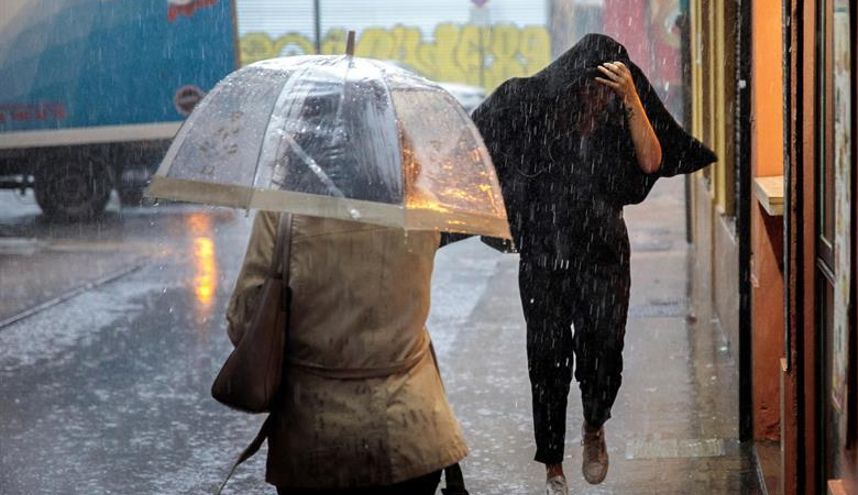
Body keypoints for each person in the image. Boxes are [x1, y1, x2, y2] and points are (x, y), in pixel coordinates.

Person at [471, 34, 716, 494]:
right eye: (591, 88)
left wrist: (631, 98)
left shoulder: (616, 116)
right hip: (543, 255)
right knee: (547, 359)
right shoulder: (533, 109)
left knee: (603, 349)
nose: (595, 98)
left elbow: (652, 160)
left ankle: (594, 424)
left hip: (602, 254)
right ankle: (553, 464)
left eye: (606, 90)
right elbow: (479, 148)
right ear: (571, 84)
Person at [226, 211, 468, 494]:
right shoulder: (419, 206)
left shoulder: (283, 212)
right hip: (412, 430)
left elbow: (245, 323)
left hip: (314, 435)